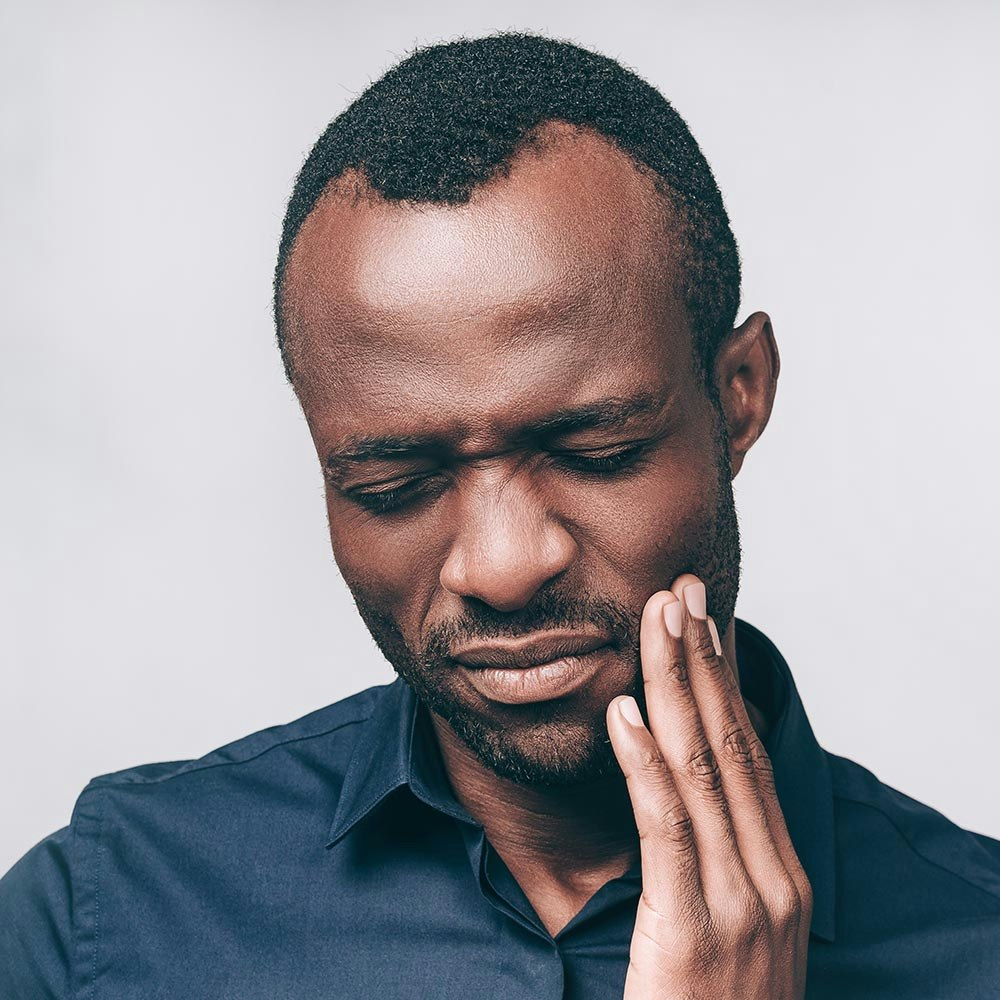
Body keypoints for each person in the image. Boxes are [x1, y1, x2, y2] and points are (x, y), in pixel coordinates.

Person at [2, 31, 998, 1000]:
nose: (504, 564)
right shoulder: (109, 912)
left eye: (593, 452)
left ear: (739, 394)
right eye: (393, 484)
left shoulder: (972, 947)